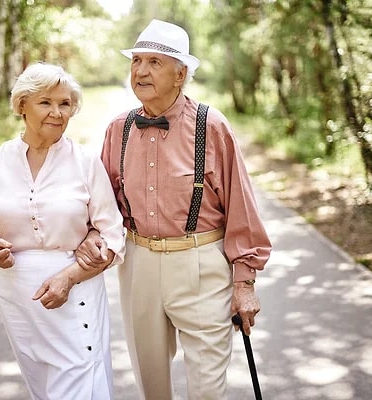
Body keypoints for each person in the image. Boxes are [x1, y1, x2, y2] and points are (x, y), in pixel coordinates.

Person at [77, 19, 272, 400]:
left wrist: (244, 282)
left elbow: (242, 209)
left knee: (207, 391)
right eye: (136, 61)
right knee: (152, 385)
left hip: (201, 265)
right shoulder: (117, 129)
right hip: (139, 265)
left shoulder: (211, 126)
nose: (140, 71)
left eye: (154, 62)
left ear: (180, 74)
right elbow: (103, 205)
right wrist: (91, 235)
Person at [0, 62, 125, 400]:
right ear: (22, 105)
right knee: (42, 387)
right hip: (18, 296)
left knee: (79, 381)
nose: (57, 112)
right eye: (46, 102)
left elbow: (113, 236)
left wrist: (69, 276)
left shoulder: (85, 162)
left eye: (65, 104)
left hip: (75, 289)